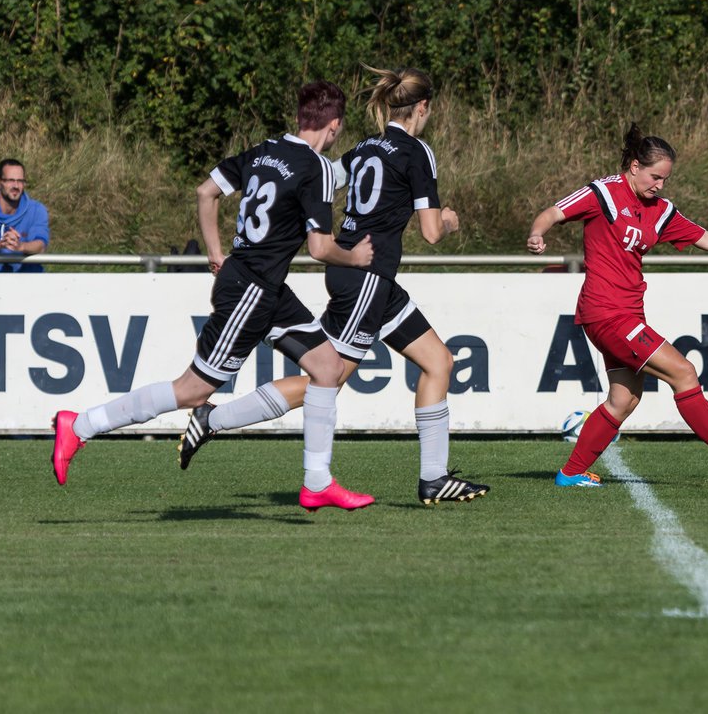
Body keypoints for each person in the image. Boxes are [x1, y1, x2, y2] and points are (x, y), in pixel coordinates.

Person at [51, 81, 376, 511]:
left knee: (328, 367)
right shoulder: (314, 168)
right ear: (334, 126)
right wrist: (353, 258)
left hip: (264, 286)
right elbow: (320, 248)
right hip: (252, 291)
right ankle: (81, 425)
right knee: (190, 391)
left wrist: (215, 253)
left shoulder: (265, 151)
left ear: (301, 118)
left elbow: (206, 192)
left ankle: (317, 482)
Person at [176, 67, 489, 505]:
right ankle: (213, 419)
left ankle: (434, 478)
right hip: (365, 277)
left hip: (370, 277)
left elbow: (322, 176)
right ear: (423, 107)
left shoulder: (363, 147)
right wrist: (451, 219)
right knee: (328, 379)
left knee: (438, 361)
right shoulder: (417, 151)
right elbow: (433, 231)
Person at [526, 122, 708, 487]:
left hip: (627, 314)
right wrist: (538, 233)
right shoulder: (603, 193)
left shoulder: (661, 210)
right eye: (654, 176)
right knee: (683, 372)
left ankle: (570, 474)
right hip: (606, 312)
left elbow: (705, 237)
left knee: (623, 401)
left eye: (665, 179)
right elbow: (553, 212)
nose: (659, 185)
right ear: (634, 166)